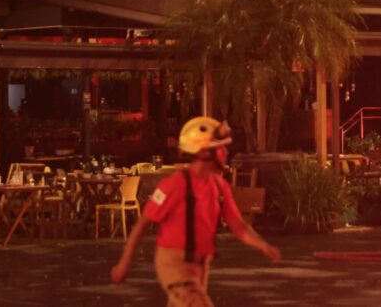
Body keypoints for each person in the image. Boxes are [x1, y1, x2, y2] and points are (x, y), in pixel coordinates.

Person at [110, 117, 280, 306]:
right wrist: (124, 263)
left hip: (200, 264)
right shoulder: (174, 184)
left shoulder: (219, 186)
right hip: (174, 263)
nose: (225, 153)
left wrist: (262, 245)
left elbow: (237, 225)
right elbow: (143, 223)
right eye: (220, 148)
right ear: (204, 152)